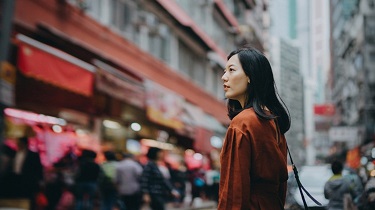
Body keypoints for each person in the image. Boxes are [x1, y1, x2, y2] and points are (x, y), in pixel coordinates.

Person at [218, 46, 291, 210]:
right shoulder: (273, 122)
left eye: (231, 70)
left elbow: (233, 191)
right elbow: (281, 187)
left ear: (250, 76)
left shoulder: (243, 123)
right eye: (225, 71)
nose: (224, 77)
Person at [0, 136, 44, 210]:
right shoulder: (13, 153)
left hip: (26, 181)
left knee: (26, 200)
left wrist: (38, 182)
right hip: (14, 179)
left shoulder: (33, 155)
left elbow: (38, 169)